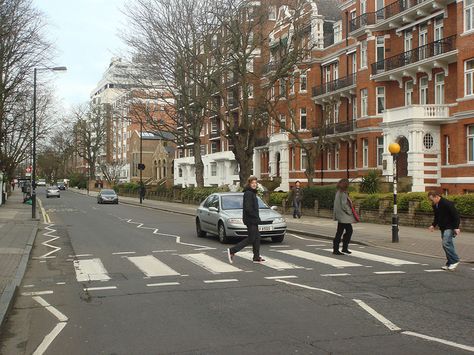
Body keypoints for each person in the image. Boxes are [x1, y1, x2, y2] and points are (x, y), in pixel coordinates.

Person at [227, 176, 265, 263]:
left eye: (255, 183)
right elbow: (248, 208)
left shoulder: (252, 193)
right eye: (252, 183)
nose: (254, 184)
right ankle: (232, 250)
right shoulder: (248, 193)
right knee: (251, 238)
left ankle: (256, 257)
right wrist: (255, 216)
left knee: (257, 238)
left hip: (253, 219)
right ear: (249, 184)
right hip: (251, 219)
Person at [428, 191, 461, 271]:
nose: (431, 201)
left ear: (436, 196)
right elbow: (437, 216)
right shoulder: (435, 205)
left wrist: (456, 227)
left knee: (446, 243)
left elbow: (456, 215)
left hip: (450, 227)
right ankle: (450, 263)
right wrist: (433, 225)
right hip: (443, 227)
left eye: (432, 199)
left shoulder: (447, 203)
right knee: (447, 244)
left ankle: (455, 260)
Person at [332, 178, 356, 255]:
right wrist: (350, 211)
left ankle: (338, 249)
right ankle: (342, 248)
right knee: (349, 231)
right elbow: (344, 205)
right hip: (343, 216)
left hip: (340, 215)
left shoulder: (338, 192)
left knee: (339, 232)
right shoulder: (343, 193)